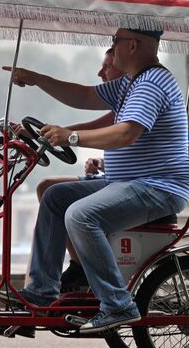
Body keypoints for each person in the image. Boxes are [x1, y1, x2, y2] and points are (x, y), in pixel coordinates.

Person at [3, 28, 189, 334]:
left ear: (132, 45)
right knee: (54, 196)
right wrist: (36, 78)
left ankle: (118, 305)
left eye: (114, 42)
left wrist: (71, 137)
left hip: (156, 187)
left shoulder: (153, 82)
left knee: (79, 214)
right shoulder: (131, 82)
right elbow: (84, 95)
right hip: (126, 183)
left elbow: (126, 132)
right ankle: (41, 292)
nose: (111, 48)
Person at [17, 48, 125, 292]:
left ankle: (43, 288)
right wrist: (40, 133)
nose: (100, 73)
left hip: (127, 185)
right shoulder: (123, 101)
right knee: (47, 187)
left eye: (107, 66)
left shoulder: (136, 96)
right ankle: (78, 267)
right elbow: (91, 130)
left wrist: (69, 137)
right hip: (113, 177)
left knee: (56, 196)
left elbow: (111, 133)